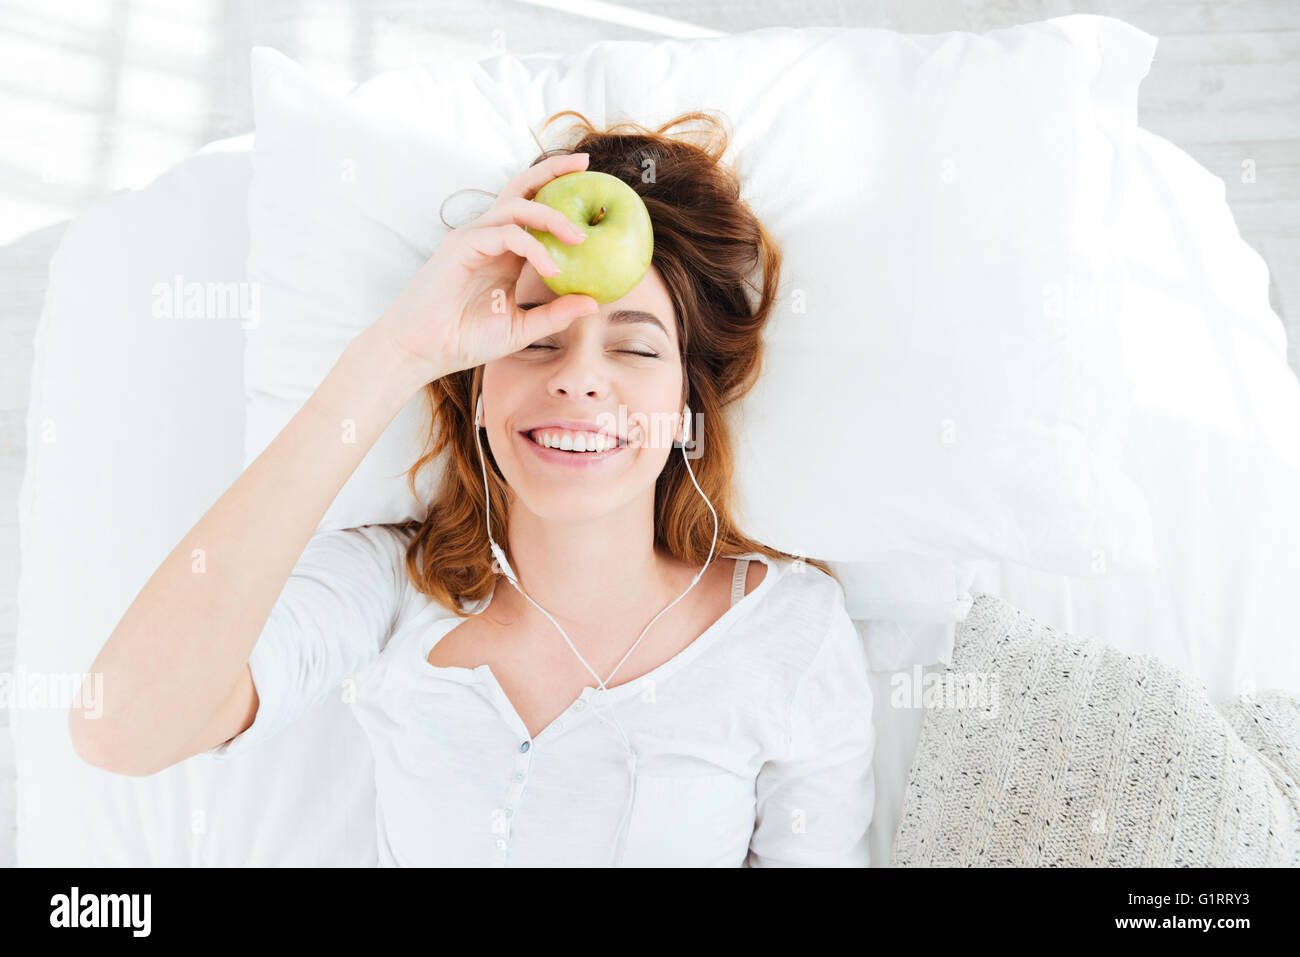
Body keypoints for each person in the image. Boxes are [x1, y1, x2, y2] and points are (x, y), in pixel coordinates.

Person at [69, 110, 875, 867]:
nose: (580, 380)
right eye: (538, 340)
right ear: (478, 386)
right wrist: (396, 353)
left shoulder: (790, 634)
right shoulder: (392, 591)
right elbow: (121, 729)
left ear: (685, 407)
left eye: (635, 351)